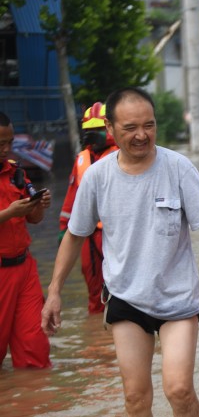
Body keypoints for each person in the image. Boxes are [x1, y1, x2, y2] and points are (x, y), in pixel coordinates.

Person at [41, 87, 199, 417]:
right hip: (126, 297)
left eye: (149, 125)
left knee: (178, 389)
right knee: (135, 396)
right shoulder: (97, 177)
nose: (141, 135)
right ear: (111, 130)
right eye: (130, 127)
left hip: (176, 299)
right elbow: (74, 235)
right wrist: (53, 293)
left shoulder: (177, 167)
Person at [0, 112, 52, 369]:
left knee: (35, 349)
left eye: (9, 142)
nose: (7, 149)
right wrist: (9, 213)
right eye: (1, 144)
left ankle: (34, 404)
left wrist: (38, 206)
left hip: (24, 268)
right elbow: (12, 215)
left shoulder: (15, 172)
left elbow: (33, 219)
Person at [59, 101, 117, 314]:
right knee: (95, 293)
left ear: (110, 128)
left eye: (98, 130)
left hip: (117, 234)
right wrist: (64, 228)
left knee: (127, 291)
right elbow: (71, 198)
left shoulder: (125, 155)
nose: (92, 136)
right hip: (89, 236)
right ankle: (98, 341)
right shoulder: (82, 159)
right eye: (89, 130)